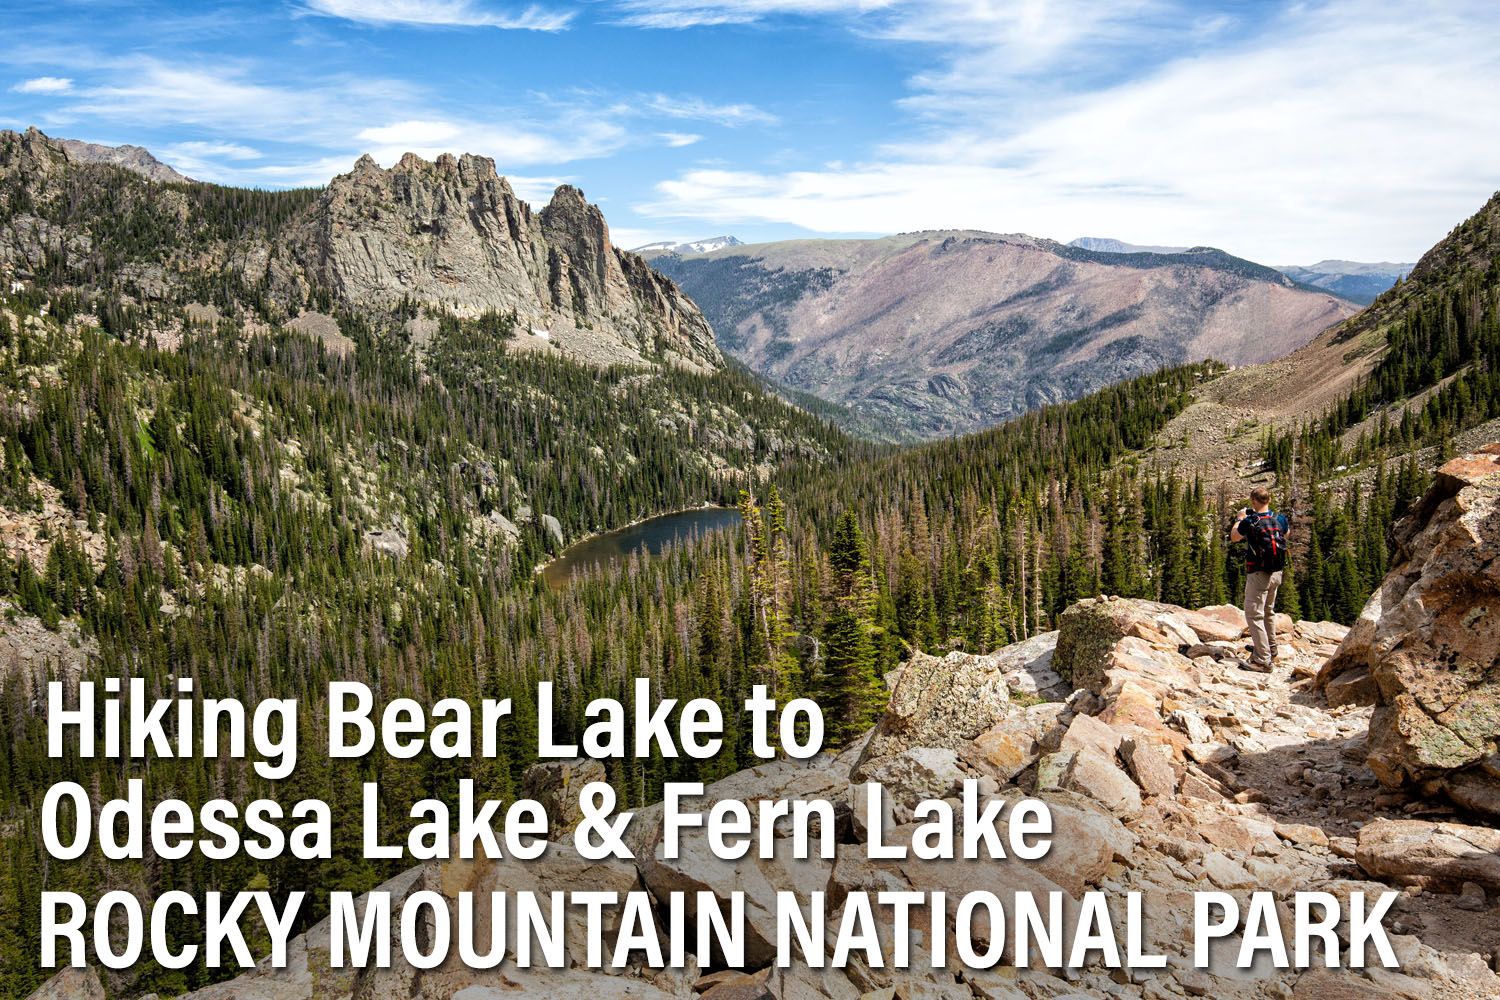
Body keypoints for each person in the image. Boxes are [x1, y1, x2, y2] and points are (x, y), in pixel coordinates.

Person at [1230, 486, 1289, 671]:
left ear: (1254, 501)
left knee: (1254, 614)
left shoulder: (1250, 521)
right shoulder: (1280, 518)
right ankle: (1270, 648)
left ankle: (1262, 660)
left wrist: (1239, 520)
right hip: (1277, 572)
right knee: (1268, 611)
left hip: (1258, 572)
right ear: (1268, 500)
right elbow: (1285, 535)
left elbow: (1234, 537)